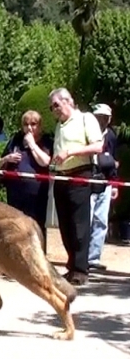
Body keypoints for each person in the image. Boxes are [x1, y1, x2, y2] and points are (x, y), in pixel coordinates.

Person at [49, 88, 103, 286]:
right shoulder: (59, 126)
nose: (54, 110)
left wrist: (71, 152)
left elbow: (98, 146)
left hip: (80, 175)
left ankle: (81, 270)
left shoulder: (85, 119)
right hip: (61, 177)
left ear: (68, 101)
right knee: (65, 226)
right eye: (51, 107)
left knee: (79, 225)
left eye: (56, 105)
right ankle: (71, 266)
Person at [0, 110, 53, 248]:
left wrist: (32, 144)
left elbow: (45, 161)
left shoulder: (46, 141)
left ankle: (39, 257)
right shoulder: (16, 139)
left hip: (36, 193)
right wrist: (7, 158)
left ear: (40, 126)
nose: (29, 128)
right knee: (14, 224)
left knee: (36, 224)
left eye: (33, 124)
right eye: (26, 124)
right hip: (15, 191)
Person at [88, 103, 119, 271]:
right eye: (99, 117)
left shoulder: (112, 136)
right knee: (87, 219)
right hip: (89, 181)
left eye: (105, 118)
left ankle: (94, 258)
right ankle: (81, 258)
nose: (102, 121)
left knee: (101, 221)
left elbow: (115, 161)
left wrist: (114, 183)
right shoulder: (87, 133)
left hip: (105, 182)